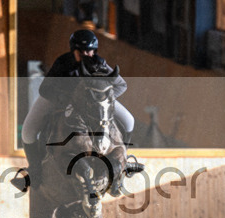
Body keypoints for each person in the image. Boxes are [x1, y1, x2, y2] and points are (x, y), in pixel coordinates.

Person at [13, 29, 136, 192]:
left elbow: (121, 85)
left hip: (95, 103)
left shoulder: (99, 63)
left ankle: (123, 164)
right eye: (82, 51)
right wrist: (66, 100)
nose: (86, 54)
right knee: (28, 130)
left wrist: (106, 98)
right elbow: (45, 90)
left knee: (129, 120)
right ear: (74, 51)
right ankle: (35, 171)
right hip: (58, 101)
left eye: (90, 51)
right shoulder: (63, 63)